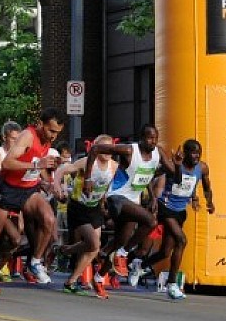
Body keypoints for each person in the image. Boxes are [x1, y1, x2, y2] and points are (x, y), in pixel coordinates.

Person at [0, 108, 65, 286]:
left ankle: (31, 263)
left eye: (57, 133)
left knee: (45, 224)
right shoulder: (13, 145)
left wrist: (48, 183)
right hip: (7, 192)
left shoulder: (45, 141)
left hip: (27, 192)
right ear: (5, 138)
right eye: (51, 131)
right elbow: (6, 165)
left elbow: (36, 171)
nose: (54, 136)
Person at [90, 124, 175, 288]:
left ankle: (100, 276)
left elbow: (149, 175)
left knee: (119, 243)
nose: (153, 141)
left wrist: (153, 197)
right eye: (150, 138)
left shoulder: (157, 153)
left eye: (156, 138)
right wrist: (87, 178)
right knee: (151, 221)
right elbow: (95, 149)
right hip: (116, 198)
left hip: (132, 201)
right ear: (141, 139)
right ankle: (122, 253)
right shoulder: (129, 150)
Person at [146, 138, 214, 300]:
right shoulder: (173, 165)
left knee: (165, 252)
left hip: (180, 211)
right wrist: (153, 198)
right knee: (182, 241)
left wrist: (209, 202)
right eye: (193, 153)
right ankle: (172, 284)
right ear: (185, 153)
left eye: (199, 153)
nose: (196, 156)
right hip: (165, 207)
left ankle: (140, 264)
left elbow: (206, 186)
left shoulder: (202, 168)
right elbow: (149, 176)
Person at [52, 135, 118, 298]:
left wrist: (106, 202)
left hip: (95, 208)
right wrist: (57, 186)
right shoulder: (87, 162)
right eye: (103, 148)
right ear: (95, 148)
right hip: (78, 207)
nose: (107, 151)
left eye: (110, 148)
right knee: (94, 244)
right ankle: (67, 255)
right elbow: (62, 170)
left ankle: (70, 274)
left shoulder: (114, 166)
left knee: (93, 248)